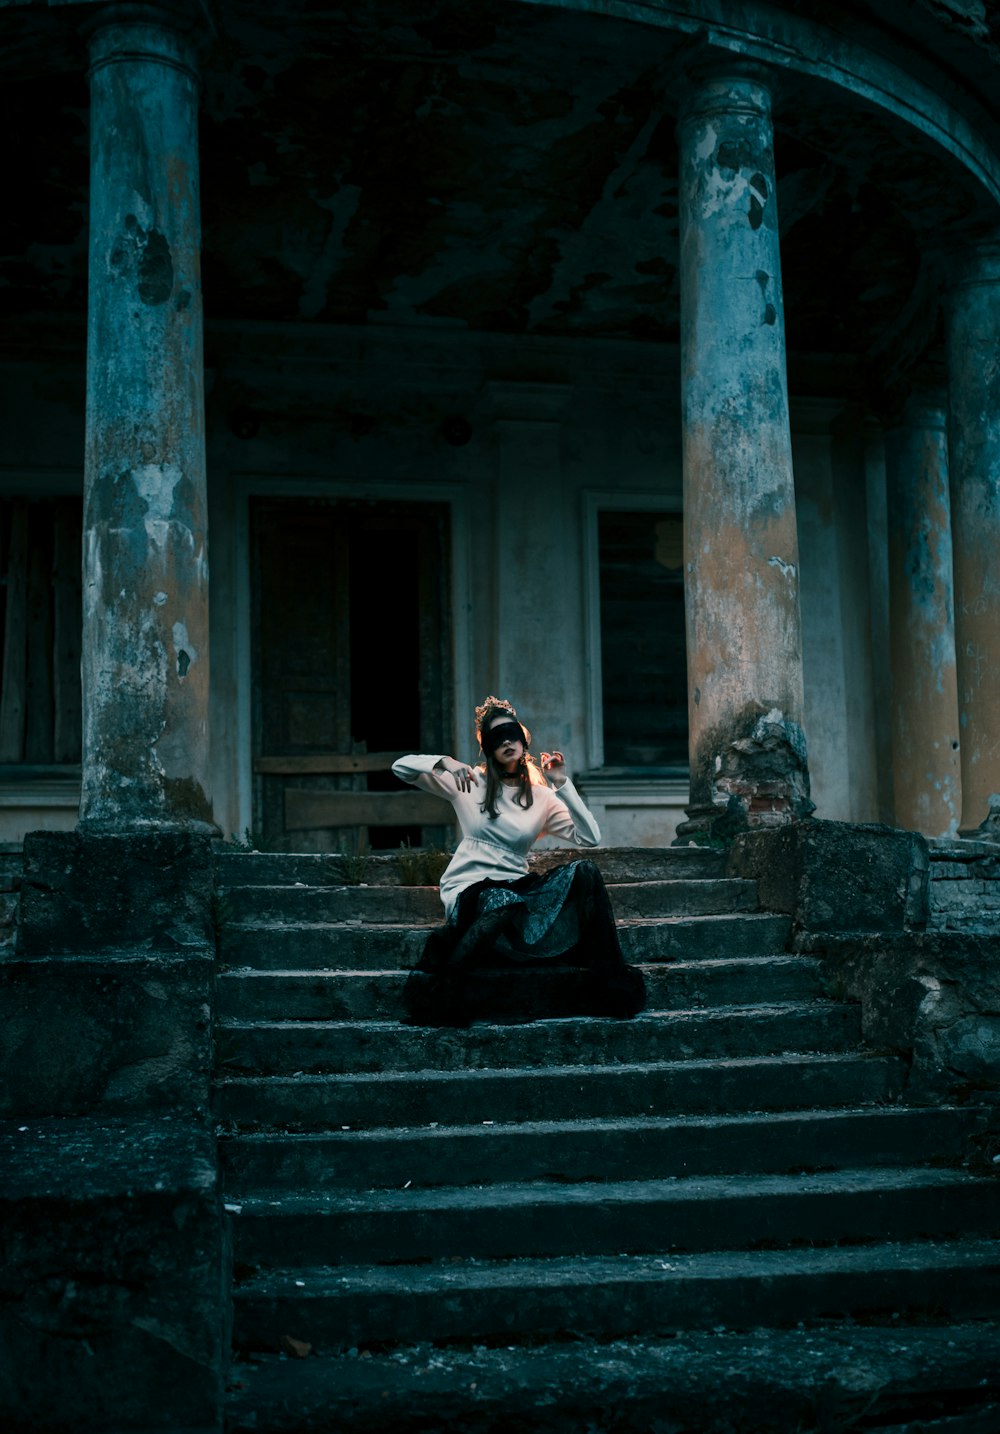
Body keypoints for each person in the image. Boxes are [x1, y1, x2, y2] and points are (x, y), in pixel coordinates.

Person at [391, 696, 647, 1026]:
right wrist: (445, 762)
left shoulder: (541, 798)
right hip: (472, 891)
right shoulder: (469, 783)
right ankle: (446, 989)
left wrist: (562, 784)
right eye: (497, 737)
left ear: (523, 740)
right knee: (501, 899)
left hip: (517, 891)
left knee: (583, 871)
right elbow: (400, 767)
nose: (507, 741)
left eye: (512, 734)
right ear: (488, 748)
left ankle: (606, 984)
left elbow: (590, 837)